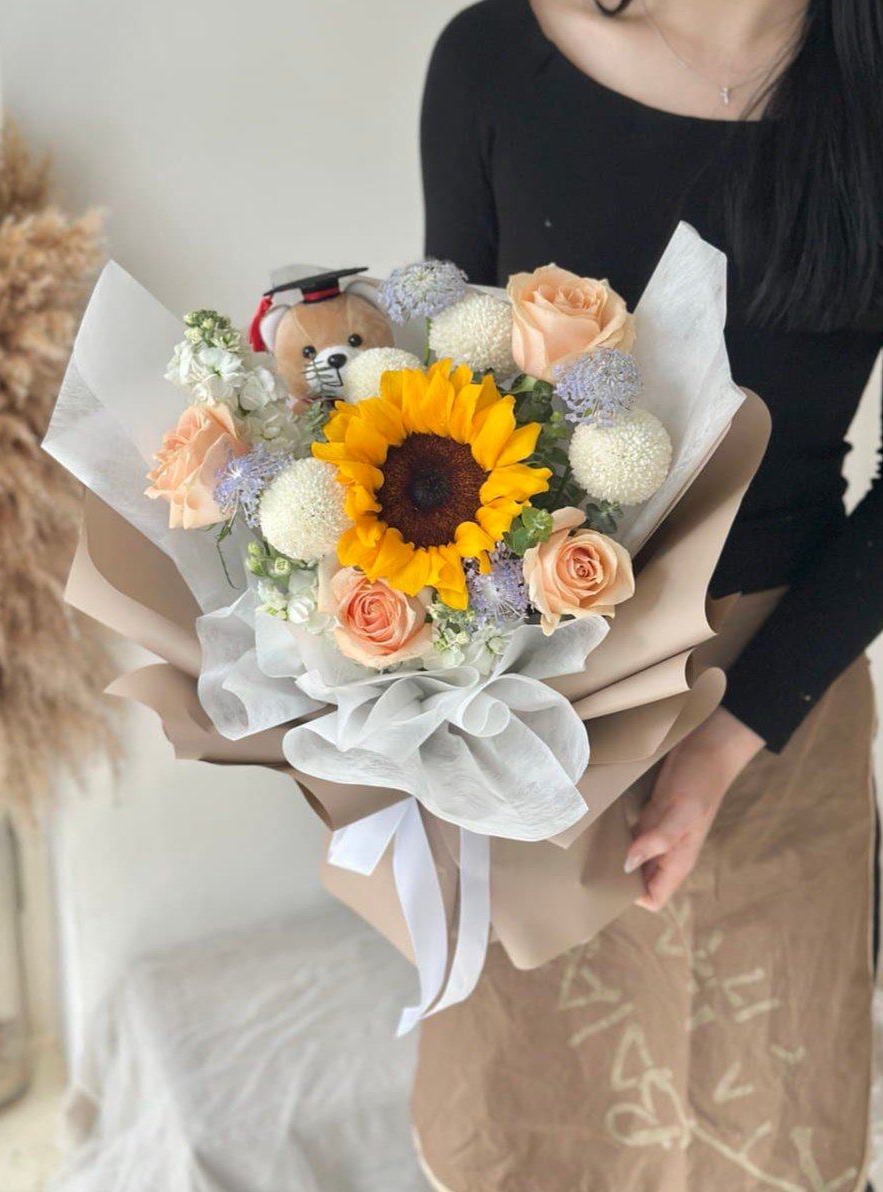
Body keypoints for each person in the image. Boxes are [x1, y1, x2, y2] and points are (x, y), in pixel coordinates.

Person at [413, 1, 883, 1188]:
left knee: (767, 1124)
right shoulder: (495, 60)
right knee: (530, 1118)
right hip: (532, 702)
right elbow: (439, 414)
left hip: (784, 693)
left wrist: (730, 738)